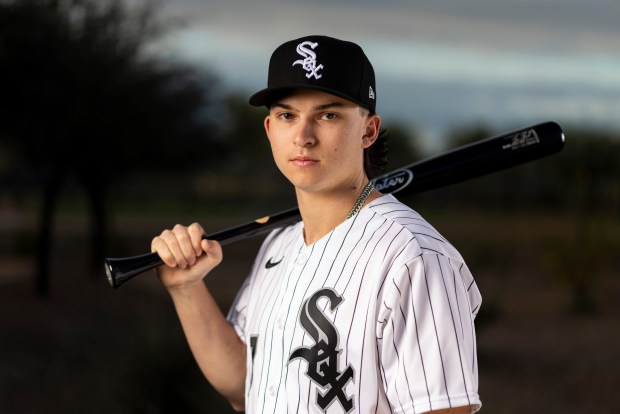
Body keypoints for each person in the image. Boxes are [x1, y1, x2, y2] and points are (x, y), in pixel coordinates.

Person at [151, 35, 482, 413]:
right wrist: (187, 290)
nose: (303, 137)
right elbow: (245, 385)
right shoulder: (279, 245)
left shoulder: (413, 255)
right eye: (287, 115)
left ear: (368, 131)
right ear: (270, 130)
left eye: (328, 115)